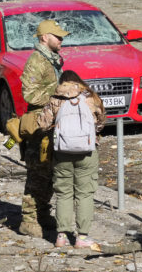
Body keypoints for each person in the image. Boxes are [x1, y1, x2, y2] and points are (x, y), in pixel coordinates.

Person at [36, 70, 105, 249]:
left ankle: (61, 236)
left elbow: (42, 124)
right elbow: (101, 122)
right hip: (87, 153)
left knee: (64, 193)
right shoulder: (91, 97)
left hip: (62, 153)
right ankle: (82, 237)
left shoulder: (55, 99)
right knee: (84, 194)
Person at [18, 19, 68, 238]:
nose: (61, 40)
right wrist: (56, 98)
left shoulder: (52, 59)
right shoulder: (37, 61)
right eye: (57, 36)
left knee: (49, 172)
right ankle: (28, 219)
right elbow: (28, 94)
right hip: (39, 125)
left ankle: (43, 212)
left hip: (52, 123)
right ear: (44, 37)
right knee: (37, 172)